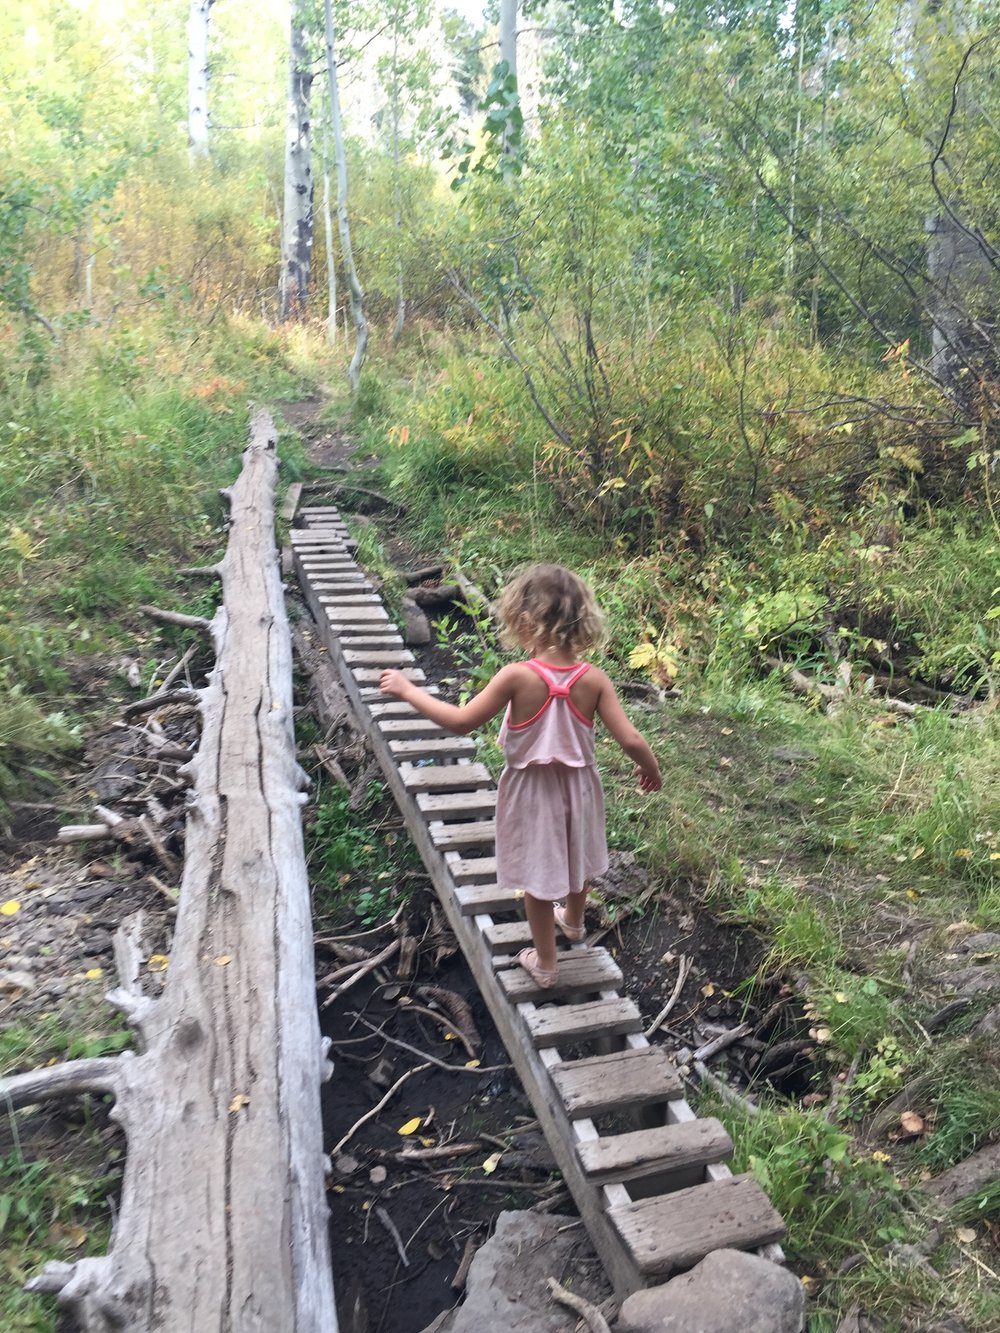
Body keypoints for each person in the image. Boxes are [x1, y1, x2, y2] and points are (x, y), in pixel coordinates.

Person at [379, 563, 662, 988]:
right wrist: (650, 768)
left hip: (533, 793)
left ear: (524, 621)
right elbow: (631, 738)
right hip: (581, 788)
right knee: (578, 856)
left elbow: (460, 722)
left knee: (538, 875)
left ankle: (544, 963)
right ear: (581, 622)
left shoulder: (518, 676)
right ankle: (574, 922)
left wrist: (407, 690)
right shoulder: (595, 679)